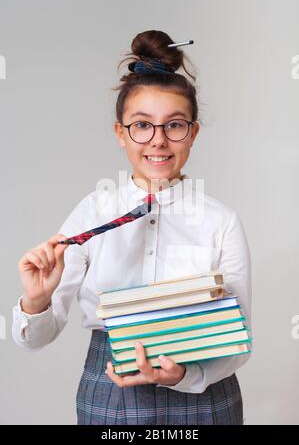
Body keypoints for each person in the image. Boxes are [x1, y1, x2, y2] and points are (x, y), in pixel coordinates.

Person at [13, 30, 252, 425]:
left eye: (174, 125)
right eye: (142, 125)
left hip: (205, 392)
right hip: (110, 389)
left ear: (192, 133)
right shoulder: (91, 212)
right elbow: (35, 339)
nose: (158, 141)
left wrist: (188, 375)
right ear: (120, 134)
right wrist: (37, 300)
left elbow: (239, 337)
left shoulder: (221, 221)